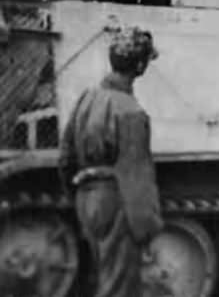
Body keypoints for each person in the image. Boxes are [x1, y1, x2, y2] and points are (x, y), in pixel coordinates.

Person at [58, 26, 164, 297]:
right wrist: (146, 228)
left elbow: (66, 156)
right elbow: (136, 176)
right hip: (114, 200)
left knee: (101, 278)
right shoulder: (132, 112)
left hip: (86, 197)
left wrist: (78, 196)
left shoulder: (87, 98)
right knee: (119, 286)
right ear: (140, 66)